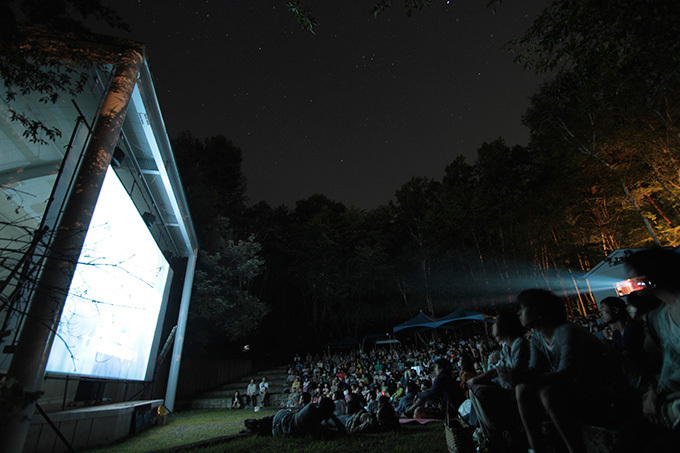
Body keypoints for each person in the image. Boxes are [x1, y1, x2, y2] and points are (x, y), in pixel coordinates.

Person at [514, 289, 637, 453]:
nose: (519, 313)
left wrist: (524, 377)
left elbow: (567, 373)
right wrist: (516, 376)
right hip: (580, 390)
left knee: (548, 394)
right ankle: (536, 447)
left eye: (522, 308)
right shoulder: (537, 338)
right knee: (521, 389)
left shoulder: (566, 331)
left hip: (606, 391)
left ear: (538, 310)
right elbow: (535, 369)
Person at [626, 248, 680, 451]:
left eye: (634, 274)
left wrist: (660, 392)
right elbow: (671, 362)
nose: (631, 282)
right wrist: (655, 391)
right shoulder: (660, 316)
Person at [467, 311, 529, 447]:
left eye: (495, 323)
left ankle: (494, 434)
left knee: (480, 392)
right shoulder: (507, 347)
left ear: (505, 326)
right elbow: (496, 369)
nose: (492, 327)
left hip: (518, 390)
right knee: (474, 388)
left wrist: (479, 380)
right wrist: (476, 380)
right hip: (508, 387)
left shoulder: (520, 344)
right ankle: (486, 432)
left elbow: (514, 373)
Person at [271, 397, 347, 438]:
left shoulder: (311, 408)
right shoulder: (311, 419)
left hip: (283, 418)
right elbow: (340, 433)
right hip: (281, 423)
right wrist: (334, 418)